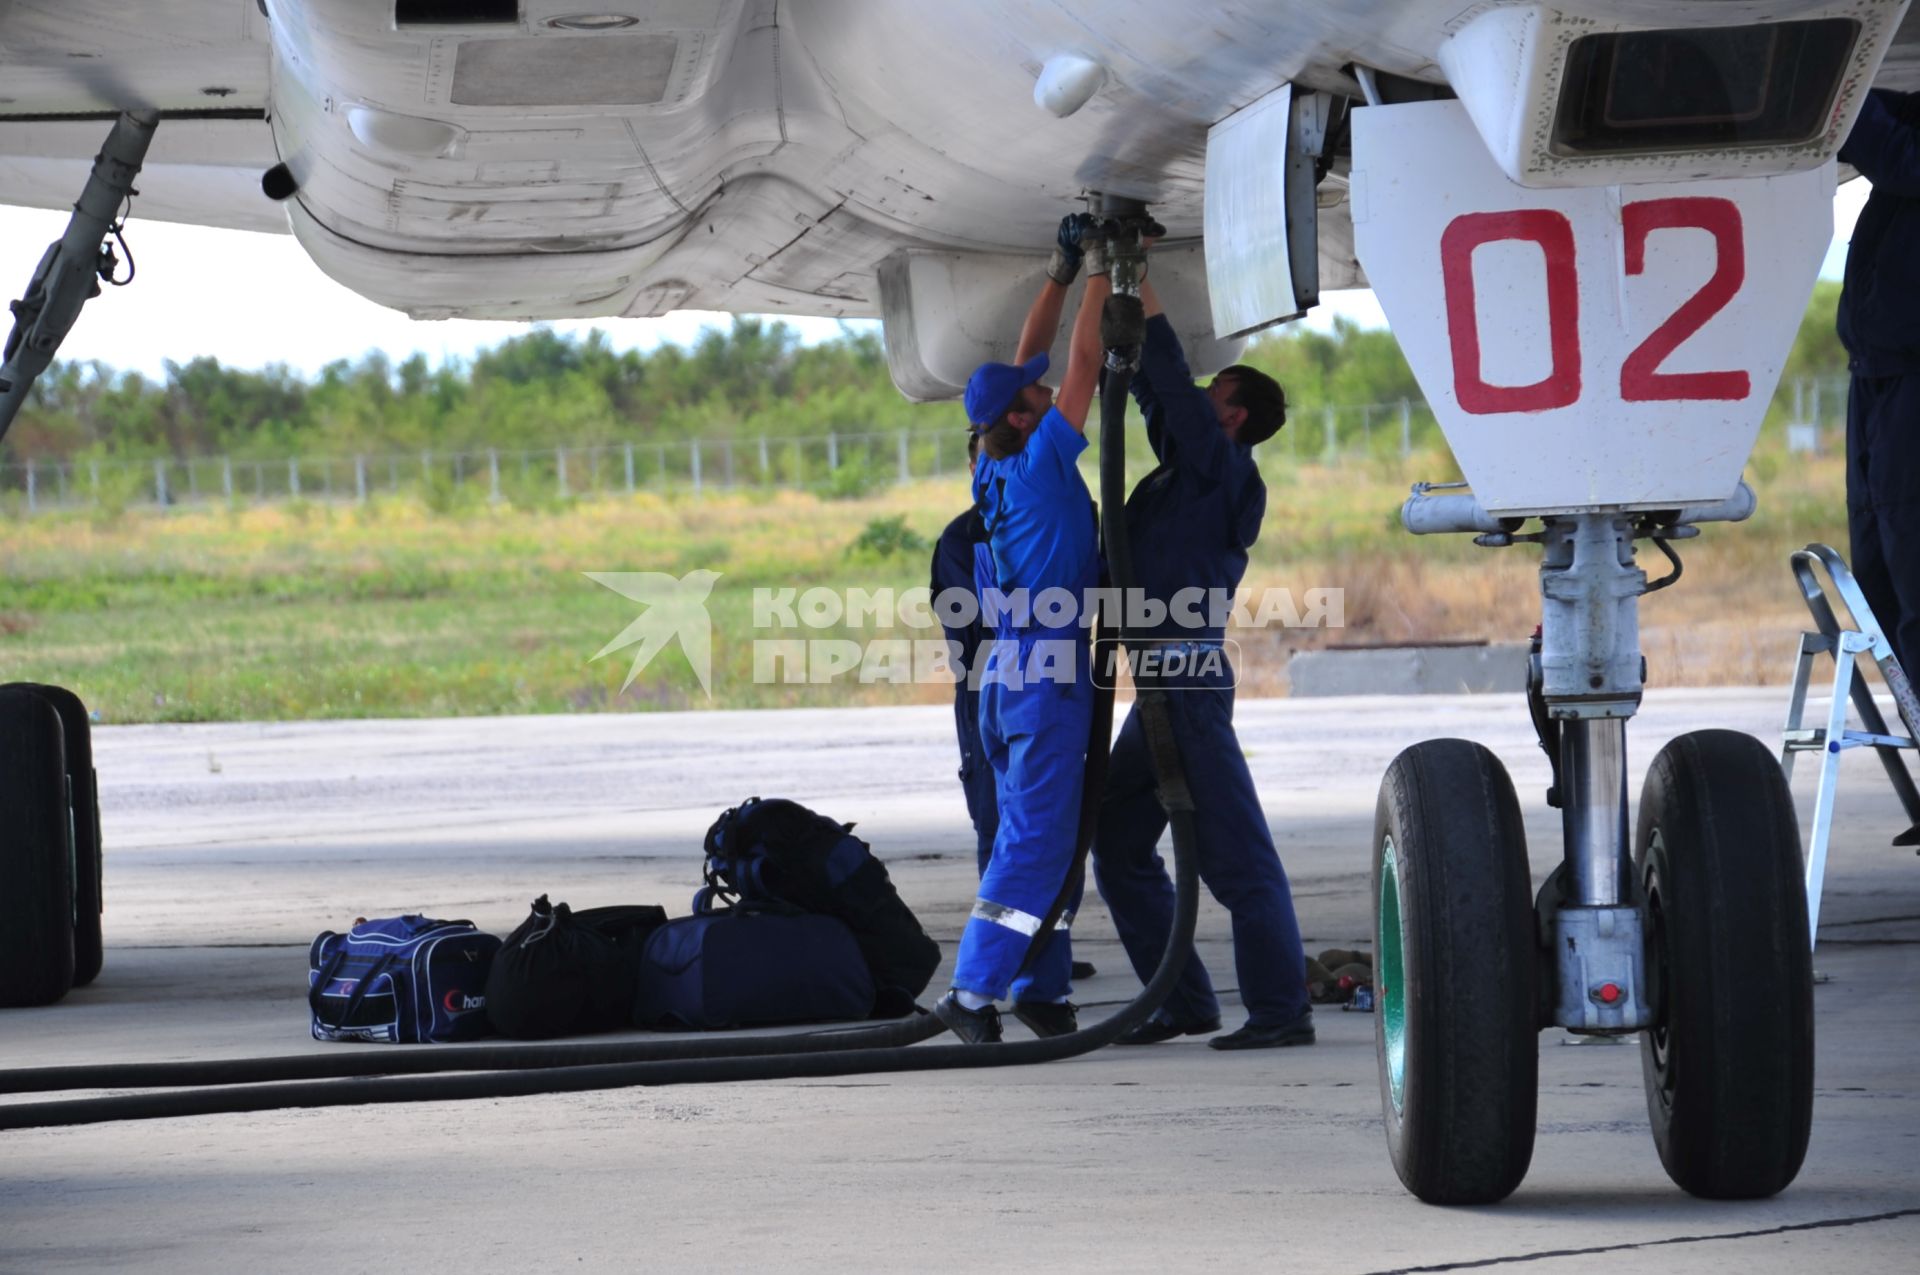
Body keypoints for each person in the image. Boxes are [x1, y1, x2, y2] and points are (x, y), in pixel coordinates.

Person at [1088, 264, 1315, 1050]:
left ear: (1236, 416)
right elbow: (1158, 399)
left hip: (1184, 682)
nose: (1203, 400)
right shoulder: (1187, 473)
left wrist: (1138, 279)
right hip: (1155, 683)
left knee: (1236, 859)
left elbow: (1174, 395)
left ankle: (1282, 1010)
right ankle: (1183, 1001)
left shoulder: (1223, 473)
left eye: (1216, 394)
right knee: (1117, 843)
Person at [932, 217, 1106, 1043]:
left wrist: (1062, 274)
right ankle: (973, 992)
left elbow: (1034, 358)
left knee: (1040, 834)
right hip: (1042, 678)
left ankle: (1040, 989)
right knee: (1037, 844)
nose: (1041, 389)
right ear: (1025, 415)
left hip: (1010, 676)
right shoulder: (1040, 462)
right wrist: (1112, 271)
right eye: (1029, 393)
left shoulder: (991, 459)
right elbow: (1080, 364)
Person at [929, 434, 1096, 982]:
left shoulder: (1062, 515)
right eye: (985, 461)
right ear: (973, 467)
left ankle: (1043, 969)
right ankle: (1006, 970)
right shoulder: (963, 539)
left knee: (1053, 832)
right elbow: (978, 624)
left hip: (1042, 684)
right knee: (1002, 830)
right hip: (997, 694)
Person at [1839, 88, 1920, 678]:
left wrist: (1830, 73)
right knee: (1875, 569)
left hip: (1911, 381)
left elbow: (1888, 151)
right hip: (1874, 375)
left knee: (1913, 568)